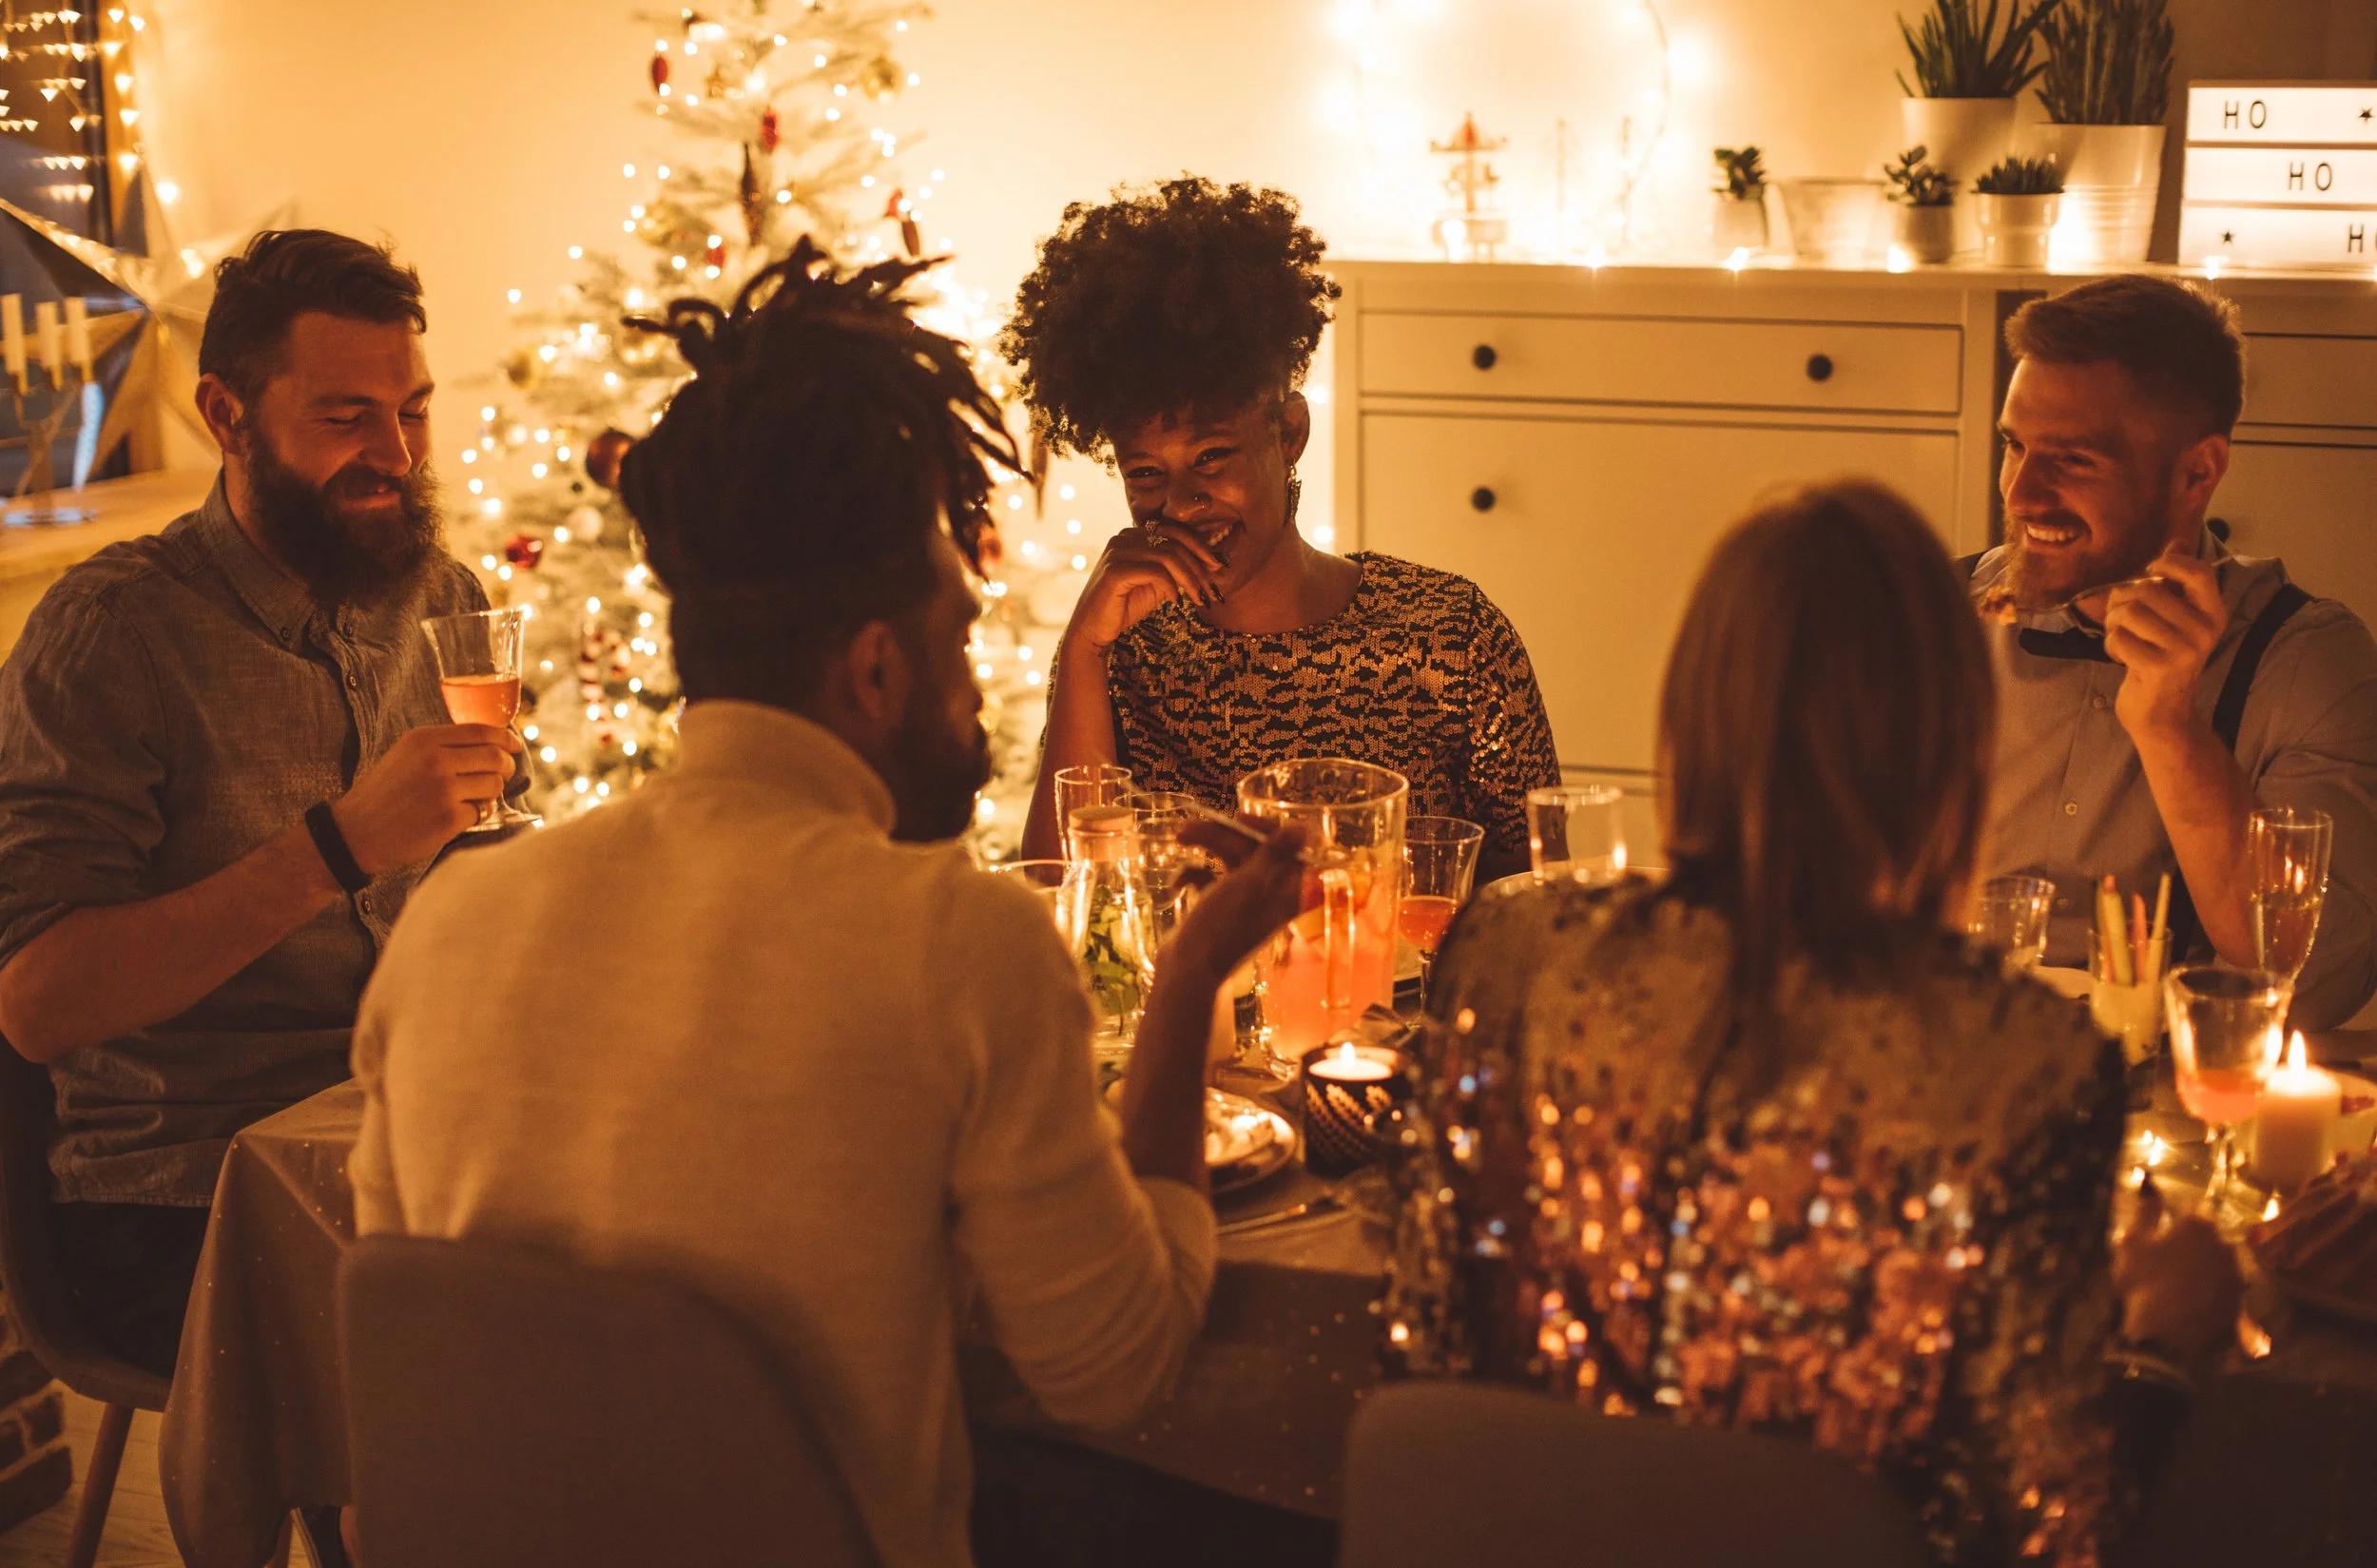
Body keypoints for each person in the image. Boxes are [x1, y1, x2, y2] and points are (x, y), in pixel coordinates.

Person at [350, 242, 1307, 1568]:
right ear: (874, 666)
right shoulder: (952, 943)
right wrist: (1191, 983)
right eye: (961, 638)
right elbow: (1118, 1367)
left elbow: (425, 1334)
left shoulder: (451, 926)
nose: (976, 685)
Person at [1385, 482, 2239, 1565]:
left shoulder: (1511, 948)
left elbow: (1428, 1346)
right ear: (1950, 739)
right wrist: (2160, 1341)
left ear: (1690, 709)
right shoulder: (2024, 1057)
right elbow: (2056, 1530)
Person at [0, 230, 516, 1379]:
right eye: (346, 418)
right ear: (226, 414)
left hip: (408, 1133)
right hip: (181, 1192)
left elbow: (480, 864)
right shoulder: (111, 636)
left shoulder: (441, 598)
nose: (396, 454)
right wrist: (338, 846)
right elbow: (39, 1003)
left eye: (413, 411)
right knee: (479, 1351)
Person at [1000, 177, 1559, 881]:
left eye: (1211, 457)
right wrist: (1083, 650)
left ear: (1289, 431)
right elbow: (1063, 898)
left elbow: (1539, 897)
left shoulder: (1449, 633)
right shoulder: (1122, 654)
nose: (1181, 503)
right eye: (1146, 473)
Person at [1973, 274, 2377, 1029]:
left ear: (2199, 472)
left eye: (2073, 459)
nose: (2022, 493)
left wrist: (2170, 728)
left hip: (2175, 1100)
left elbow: (2316, 981)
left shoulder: (2309, 663)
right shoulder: (1938, 619)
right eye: (2013, 445)